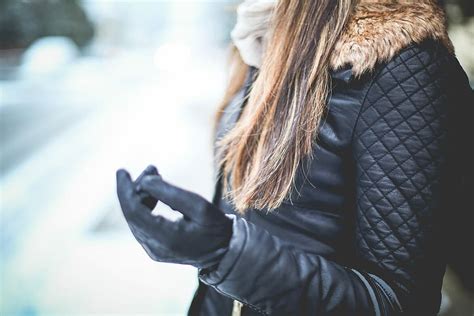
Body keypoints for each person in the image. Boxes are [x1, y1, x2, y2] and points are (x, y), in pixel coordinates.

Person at [115, 0, 473, 315]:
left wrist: (225, 255)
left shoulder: (406, 67)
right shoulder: (259, 39)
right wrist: (209, 246)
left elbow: (399, 303)